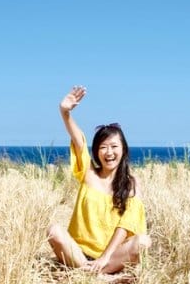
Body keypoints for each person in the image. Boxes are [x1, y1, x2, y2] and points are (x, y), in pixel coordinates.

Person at [47, 85, 151, 274]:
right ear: (96, 152)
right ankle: (97, 276)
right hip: (79, 254)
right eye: (103, 147)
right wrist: (65, 112)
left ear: (124, 150)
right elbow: (79, 142)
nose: (109, 152)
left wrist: (104, 257)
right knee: (54, 231)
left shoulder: (131, 183)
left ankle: (92, 273)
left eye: (114, 146)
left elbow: (126, 225)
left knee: (144, 241)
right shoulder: (88, 174)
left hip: (111, 257)